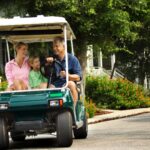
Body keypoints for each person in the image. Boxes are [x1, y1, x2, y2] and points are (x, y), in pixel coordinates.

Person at [46, 36, 82, 104]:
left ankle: (73, 109)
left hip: (67, 83)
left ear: (64, 46)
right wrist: (47, 63)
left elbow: (78, 77)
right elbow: (46, 73)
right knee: (48, 88)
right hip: (56, 84)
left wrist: (67, 75)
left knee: (71, 84)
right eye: (54, 46)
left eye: (57, 46)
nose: (54, 48)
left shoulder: (72, 59)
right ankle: (52, 111)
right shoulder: (53, 59)